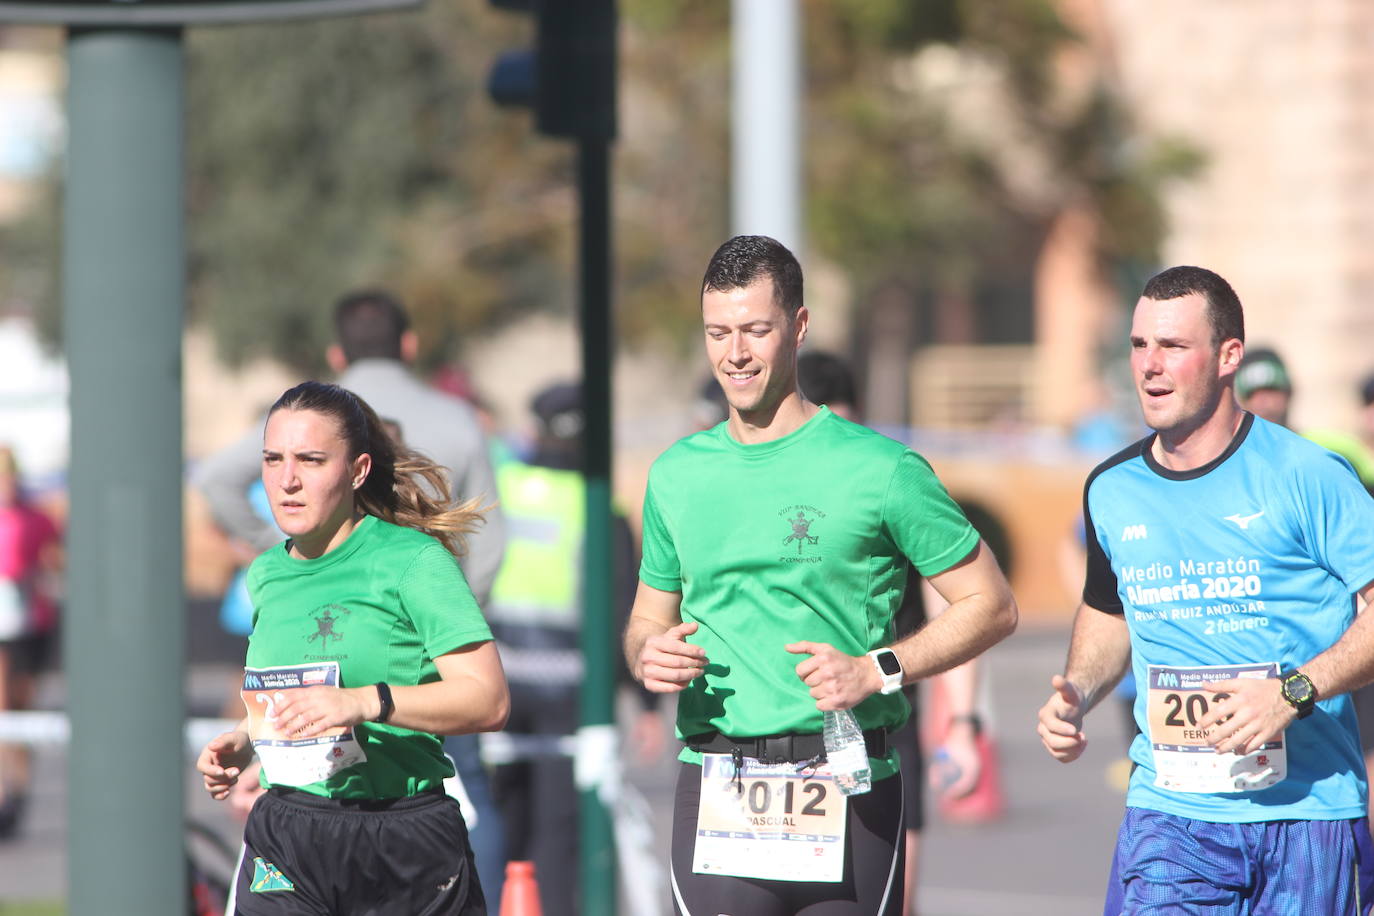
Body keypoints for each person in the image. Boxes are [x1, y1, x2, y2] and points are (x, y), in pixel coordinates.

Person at [624, 235, 1018, 916]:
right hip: (720, 779)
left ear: (799, 327)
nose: (735, 353)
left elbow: (991, 604)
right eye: (718, 332)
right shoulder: (675, 474)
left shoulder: (881, 469)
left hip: (847, 777)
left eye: (756, 330)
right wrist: (645, 654)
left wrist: (877, 669)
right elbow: (643, 622)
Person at [1036, 265, 1374, 914]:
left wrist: (1292, 693)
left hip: (1308, 814)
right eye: (1139, 346)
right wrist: (1075, 692)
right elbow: (1110, 614)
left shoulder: (1307, 475)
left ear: (1229, 357)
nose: (1149, 367)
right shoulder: (1112, 488)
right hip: (1172, 815)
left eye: (1172, 346)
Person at [192, 289, 510, 892]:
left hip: (400, 837)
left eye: (310, 460)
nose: (286, 481)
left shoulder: (412, 561)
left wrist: (369, 701)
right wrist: (243, 740)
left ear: (358, 470)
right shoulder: (267, 573)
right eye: (272, 459)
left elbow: (488, 700)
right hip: (286, 833)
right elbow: (279, 702)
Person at [796, 351, 988, 916]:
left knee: (896, 901)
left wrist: (962, 724)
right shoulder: (766, 493)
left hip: (882, 721)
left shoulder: (887, 480)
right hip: (779, 730)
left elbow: (960, 606)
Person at [483, 381, 662, 916]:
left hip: (497, 684)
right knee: (560, 838)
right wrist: (644, 702)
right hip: (574, 693)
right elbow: (623, 608)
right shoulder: (600, 502)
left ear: (537, 429)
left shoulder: (499, 488)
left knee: (499, 821)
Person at [0, 446, 61, 838]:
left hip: (29, 623)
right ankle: (6, 793)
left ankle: (18, 791)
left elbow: (53, 557)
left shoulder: (36, 516)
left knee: (23, 706)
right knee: (4, 705)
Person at [1233, 345, 1292, 427]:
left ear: (1288, 394)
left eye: (1271, 390)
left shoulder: (1308, 439)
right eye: (1252, 394)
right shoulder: (1227, 439)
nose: (1264, 402)